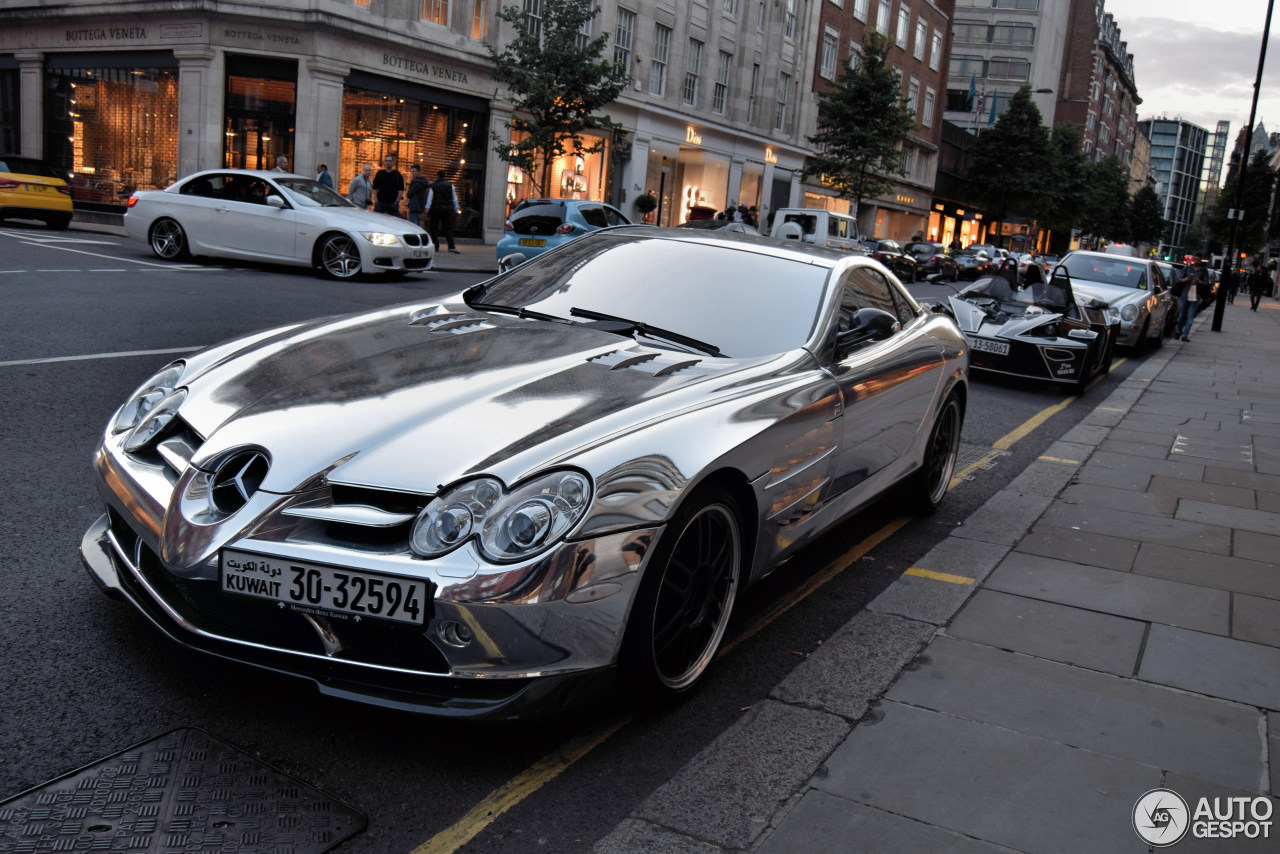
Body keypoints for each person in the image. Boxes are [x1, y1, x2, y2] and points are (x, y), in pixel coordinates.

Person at [425, 169, 461, 253]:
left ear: (438, 176)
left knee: (433, 228)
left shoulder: (433, 186)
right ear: (445, 176)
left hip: (435, 210)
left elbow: (430, 198)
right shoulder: (450, 186)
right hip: (446, 210)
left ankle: (435, 245)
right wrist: (456, 209)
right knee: (448, 228)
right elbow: (454, 199)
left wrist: (427, 209)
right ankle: (451, 246)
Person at [1177, 256, 1208, 340]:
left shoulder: (1204, 271)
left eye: (1198, 260)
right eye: (1194, 259)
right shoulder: (1187, 268)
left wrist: (1199, 281)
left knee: (1190, 315)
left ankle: (1185, 334)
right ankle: (1178, 330)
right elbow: (1179, 280)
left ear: (1200, 260)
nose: (1196, 261)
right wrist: (1187, 279)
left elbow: (1206, 283)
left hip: (1195, 295)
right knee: (1181, 314)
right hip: (1185, 293)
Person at [405, 164, 429, 228]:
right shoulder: (423, 182)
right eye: (411, 171)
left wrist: (411, 183)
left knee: (412, 228)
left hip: (414, 208)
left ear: (419, 172)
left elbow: (409, 194)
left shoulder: (416, 183)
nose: (412, 173)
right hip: (420, 208)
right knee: (418, 227)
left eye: (414, 171)